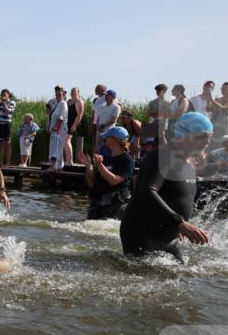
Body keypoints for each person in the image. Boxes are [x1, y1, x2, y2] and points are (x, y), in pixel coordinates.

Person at [120, 112, 213, 262]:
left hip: (169, 236)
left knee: (180, 278)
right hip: (143, 233)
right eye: (203, 136)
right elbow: (146, 192)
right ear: (185, 134)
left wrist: (179, 225)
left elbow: (177, 196)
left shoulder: (188, 162)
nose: (208, 142)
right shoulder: (162, 155)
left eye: (210, 136)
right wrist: (179, 222)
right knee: (147, 281)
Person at [80, 126, 134, 220]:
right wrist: (88, 165)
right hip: (98, 204)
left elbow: (114, 181)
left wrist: (100, 165)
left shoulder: (127, 160)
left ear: (114, 140)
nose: (104, 140)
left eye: (106, 137)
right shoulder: (105, 158)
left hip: (114, 206)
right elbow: (92, 183)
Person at [47, 86, 68, 172]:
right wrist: (49, 127)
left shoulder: (63, 104)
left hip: (59, 130)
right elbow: (50, 116)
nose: (58, 96)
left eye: (59, 94)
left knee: (55, 148)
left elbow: (61, 117)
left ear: (63, 94)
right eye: (56, 94)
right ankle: (59, 167)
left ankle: (53, 167)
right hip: (54, 129)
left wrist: (56, 128)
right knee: (57, 148)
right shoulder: (55, 104)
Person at [0, 89, 16, 165]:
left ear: (8, 95)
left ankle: (8, 163)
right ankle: (0, 163)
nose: (3, 97)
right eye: (2, 95)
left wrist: (4, 104)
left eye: (4, 95)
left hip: (7, 124)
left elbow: (9, 111)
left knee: (7, 143)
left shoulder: (12, 102)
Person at [64, 87, 85, 167]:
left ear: (78, 93)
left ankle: (70, 161)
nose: (73, 93)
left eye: (75, 91)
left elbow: (80, 115)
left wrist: (74, 125)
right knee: (64, 142)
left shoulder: (79, 101)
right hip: (66, 123)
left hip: (72, 123)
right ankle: (67, 160)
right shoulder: (69, 101)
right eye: (72, 91)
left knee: (67, 141)